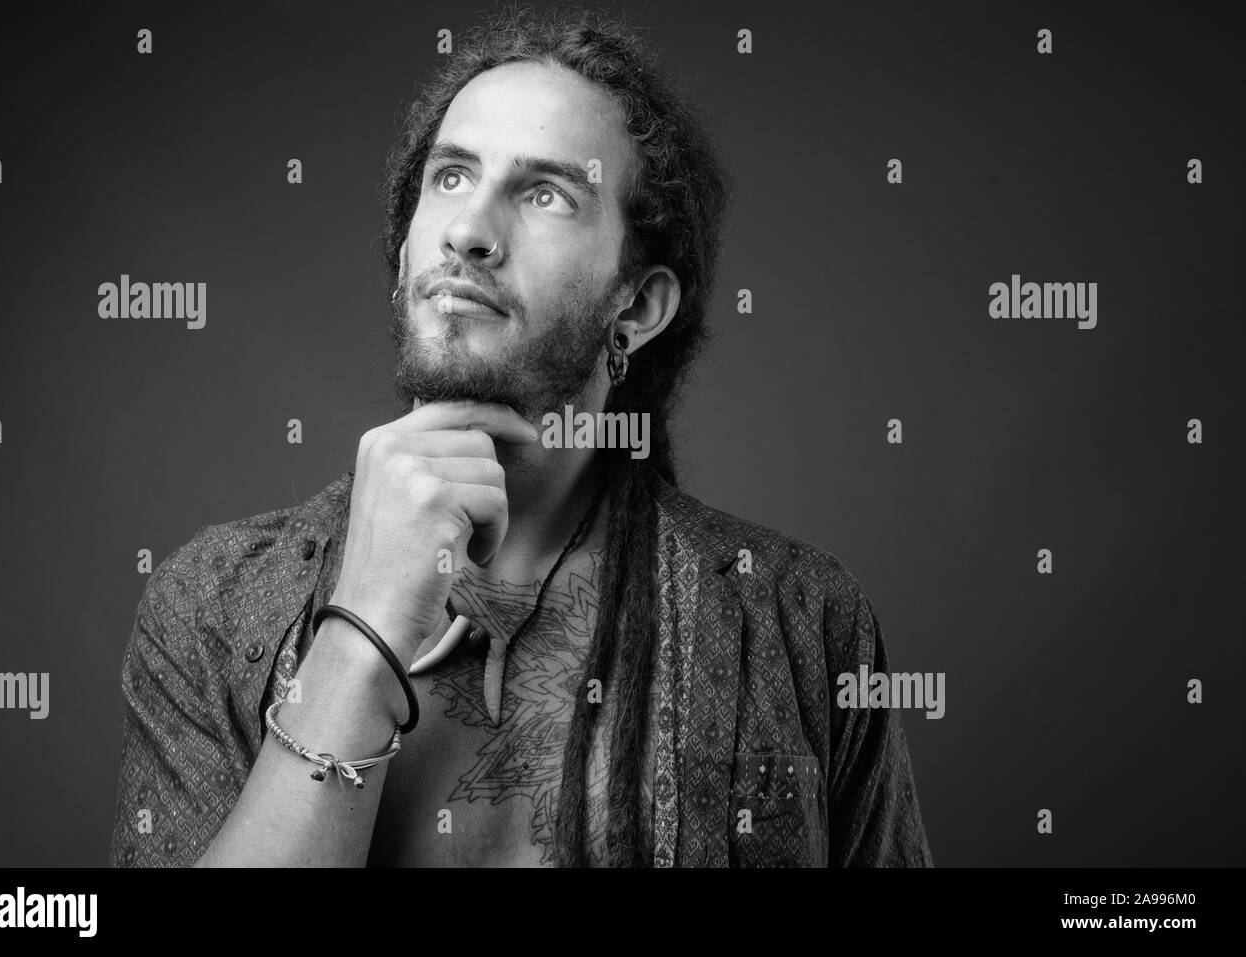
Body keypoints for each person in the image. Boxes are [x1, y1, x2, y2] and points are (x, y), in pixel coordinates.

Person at [109, 4, 932, 868]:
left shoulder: (796, 618)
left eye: (545, 193)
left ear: (638, 304)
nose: (469, 230)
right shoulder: (212, 603)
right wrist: (359, 640)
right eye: (452, 176)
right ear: (404, 251)